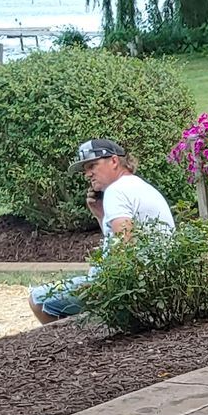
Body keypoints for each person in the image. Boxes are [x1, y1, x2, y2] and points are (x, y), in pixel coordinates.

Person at [28, 138, 177, 323]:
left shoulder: (116, 192)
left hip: (129, 287)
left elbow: (125, 246)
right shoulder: (140, 186)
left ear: (114, 161)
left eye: (93, 166)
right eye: (85, 169)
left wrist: (106, 288)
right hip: (158, 280)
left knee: (37, 299)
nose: (87, 174)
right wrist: (101, 215)